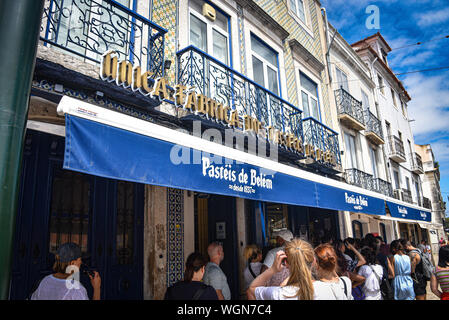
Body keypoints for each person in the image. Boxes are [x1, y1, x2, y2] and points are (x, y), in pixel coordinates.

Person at [247, 238, 315, 300]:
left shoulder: (279, 294)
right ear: (314, 261)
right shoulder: (325, 289)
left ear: (286, 263)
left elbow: (251, 290)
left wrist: (273, 269)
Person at [31, 242, 101, 300]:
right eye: (80, 260)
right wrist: (97, 288)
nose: (81, 263)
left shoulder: (45, 281)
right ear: (72, 263)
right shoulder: (76, 290)